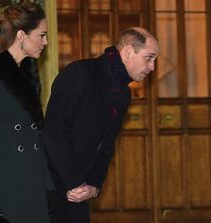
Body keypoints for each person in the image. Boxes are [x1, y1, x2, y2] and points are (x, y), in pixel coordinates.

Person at [43, 27, 160, 223]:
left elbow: (107, 145)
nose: (152, 67)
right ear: (129, 51)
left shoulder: (123, 94)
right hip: (51, 187)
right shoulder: (80, 73)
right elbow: (55, 132)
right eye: (149, 57)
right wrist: (76, 183)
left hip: (80, 190)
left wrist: (94, 186)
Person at [0, 2, 58, 223]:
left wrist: (48, 185)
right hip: (3, 184)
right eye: (41, 35)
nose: (45, 42)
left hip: (31, 181)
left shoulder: (27, 74)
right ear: (22, 35)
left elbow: (35, 135)